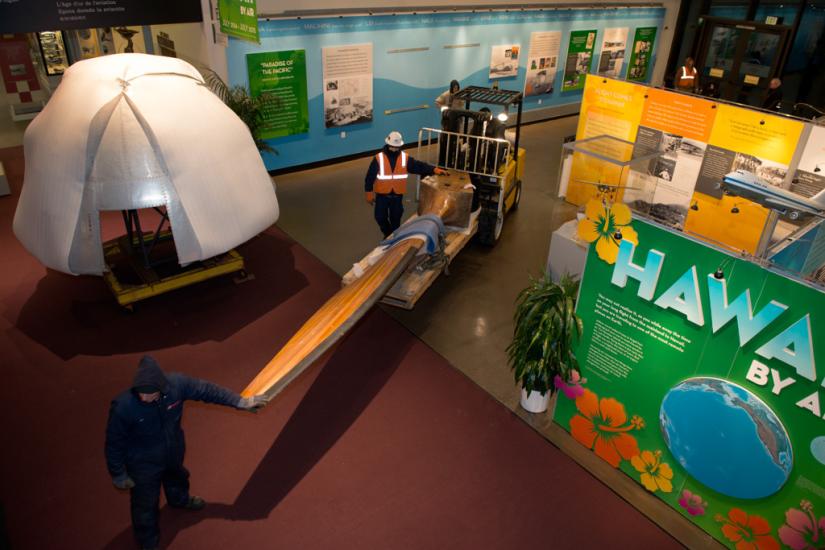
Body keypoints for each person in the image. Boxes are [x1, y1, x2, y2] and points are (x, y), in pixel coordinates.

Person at [105, 355, 268, 550]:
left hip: (173, 449)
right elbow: (113, 443)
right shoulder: (123, 407)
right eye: (140, 393)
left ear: (161, 387)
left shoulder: (177, 385)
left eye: (149, 394)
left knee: (178, 477)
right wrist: (118, 474)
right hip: (143, 465)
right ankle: (148, 542)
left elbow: (208, 390)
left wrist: (240, 402)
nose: (144, 398)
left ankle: (179, 500)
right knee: (145, 507)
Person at [365, 131, 448, 237]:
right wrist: (368, 192)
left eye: (397, 147)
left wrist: (434, 169)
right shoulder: (379, 158)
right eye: (392, 147)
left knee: (396, 219)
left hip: (397, 196)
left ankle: (393, 237)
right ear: (388, 144)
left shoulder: (405, 158)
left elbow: (418, 166)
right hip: (382, 195)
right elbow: (370, 176)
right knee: (380, 217)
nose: (394, 149)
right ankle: (388, 233)